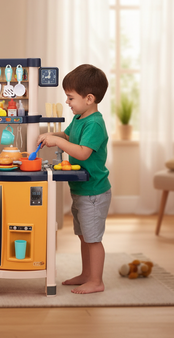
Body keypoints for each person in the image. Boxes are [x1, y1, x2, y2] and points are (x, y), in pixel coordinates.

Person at [37, 64, 111, 294]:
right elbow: (68, 135)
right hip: (81, 189)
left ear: (89, 98)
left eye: (70, 98)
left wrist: (58, 142)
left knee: (93, 239)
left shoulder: (95, 123)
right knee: (83, 236)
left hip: (94, 192)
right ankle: (86, 274)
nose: (67, 102)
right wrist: (52, 135)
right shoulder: (80, 118)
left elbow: (82, 152)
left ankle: (96, 281)